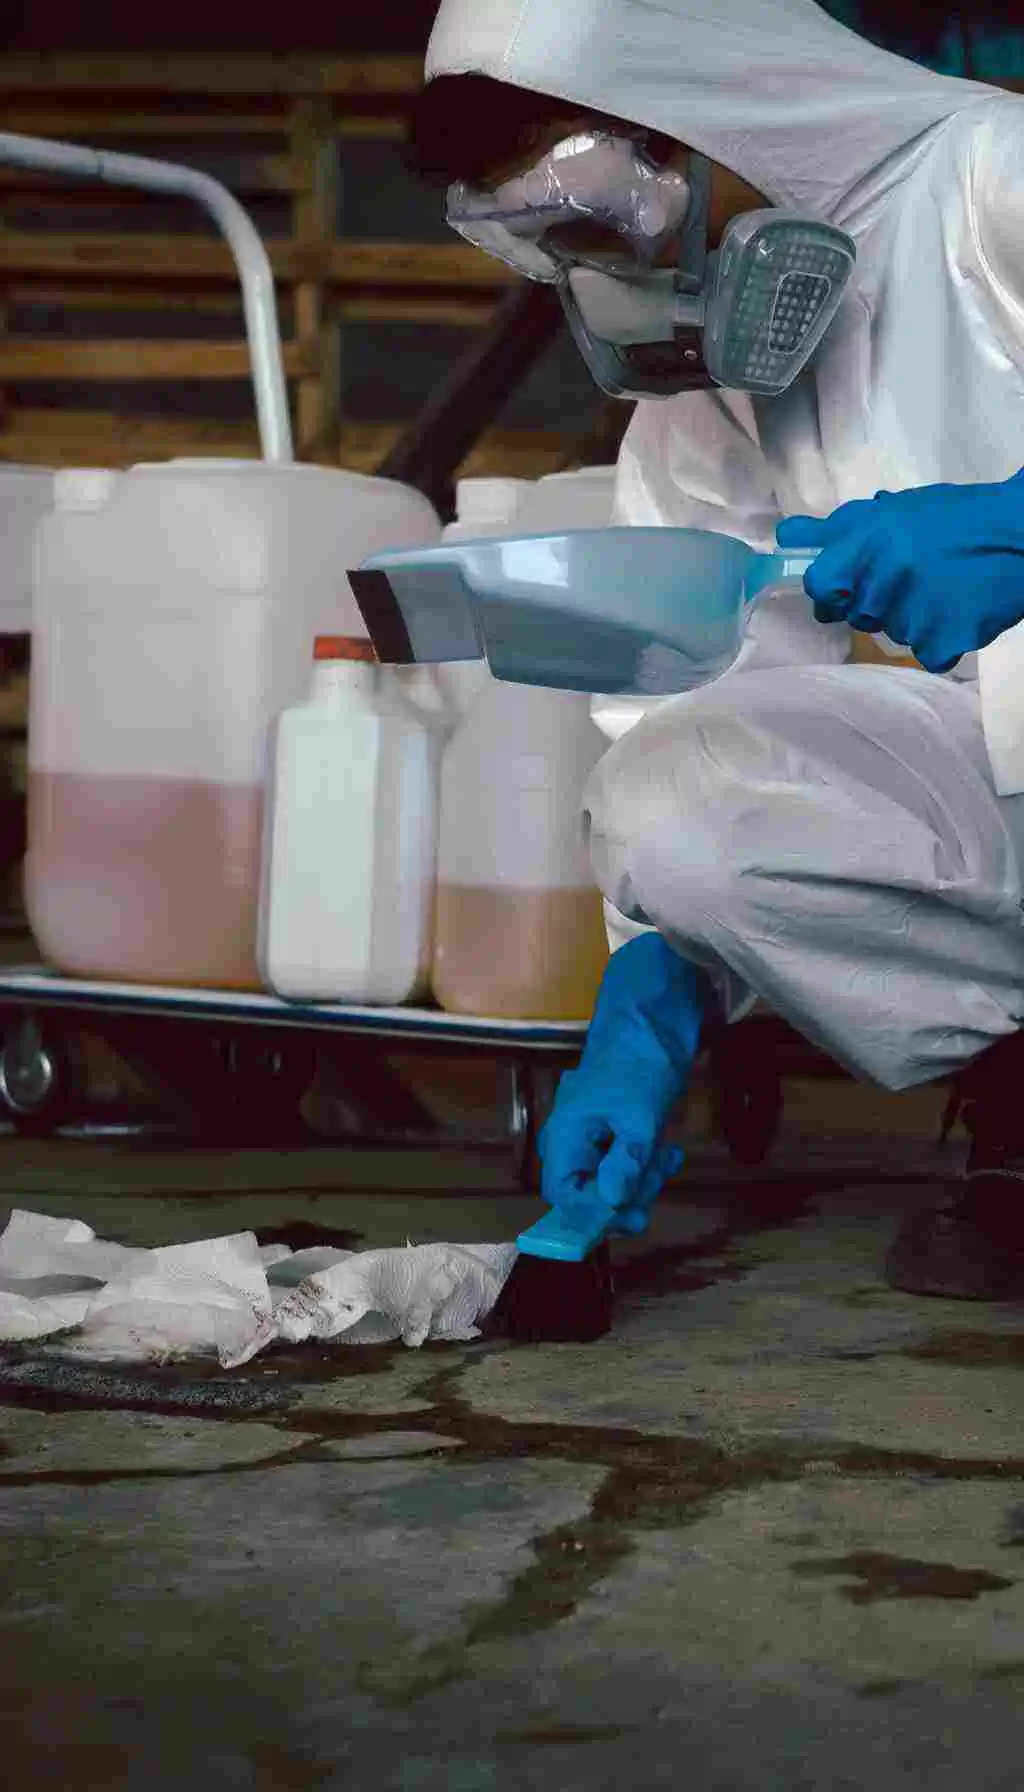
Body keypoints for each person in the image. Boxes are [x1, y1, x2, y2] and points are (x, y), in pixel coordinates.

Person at [412, 0, 1024, 1298]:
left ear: (731, 101)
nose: (611, 282)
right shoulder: (718, 396)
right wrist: (646, 1013)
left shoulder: (993, 183)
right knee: (674, 793)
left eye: (606, 220)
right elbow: (716, 705)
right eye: (550, 251)